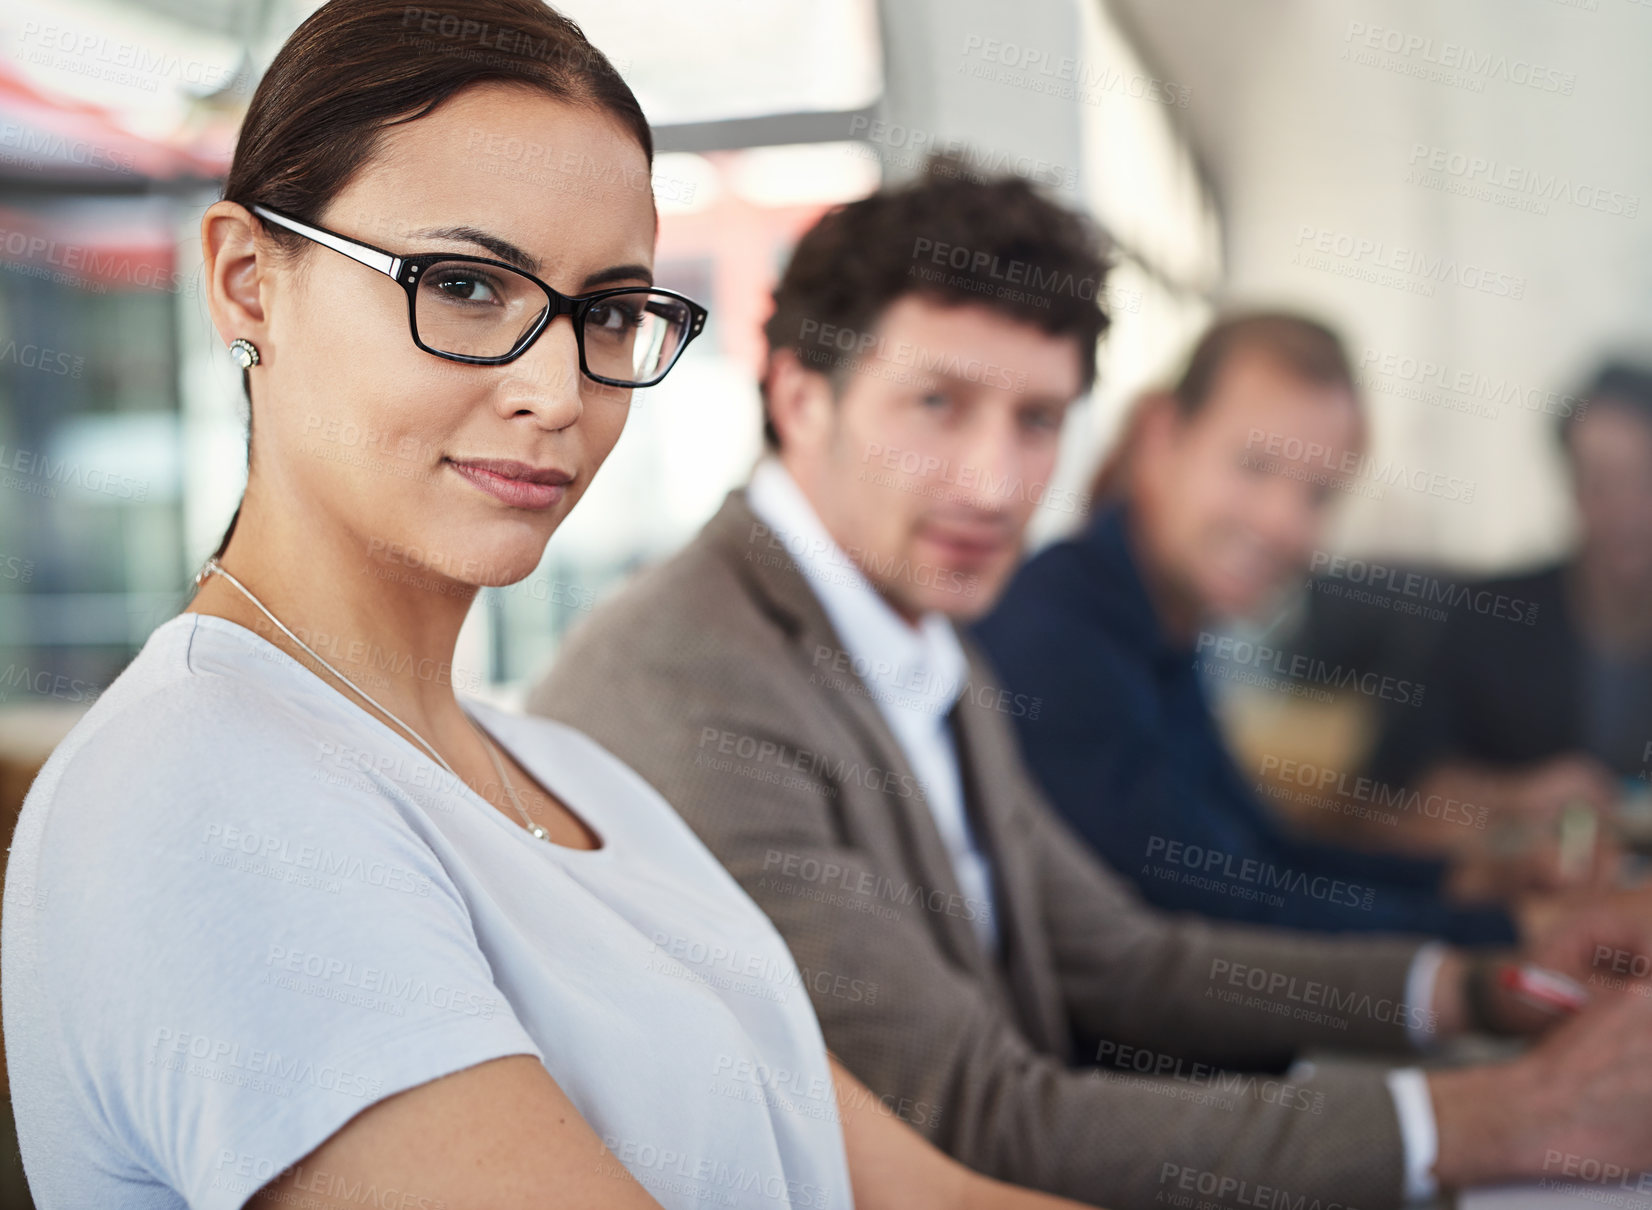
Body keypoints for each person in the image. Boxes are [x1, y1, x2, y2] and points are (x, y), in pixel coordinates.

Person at [0, 6, 1097, 1210]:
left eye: (610, 312)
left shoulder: (573, 774)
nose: (556, 390)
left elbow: (914, 1194)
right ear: (247, 281)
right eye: (465, 285)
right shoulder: (201, 789)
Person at [530, 160, 1652, 1210]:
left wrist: (1477, 982)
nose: (995, 482)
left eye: (1036, 420)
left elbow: (1126, 954)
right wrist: (1497, 1113)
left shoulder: (920, 633)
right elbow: (964, 1120)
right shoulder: (693, 677)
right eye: (937, 405)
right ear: (797, 395)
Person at [971, 313, 1612, 945]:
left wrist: (1465, 879)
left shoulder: (1158, 630)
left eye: (1319, 496)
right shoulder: (1057, 641)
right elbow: (1209, 915)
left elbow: (1262, 857)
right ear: (1160, 435)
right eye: (1255, 466)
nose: (1285, 525)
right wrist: (1503, 930)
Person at [1366, 362, 1652, 826]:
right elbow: (1376, 803)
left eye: (1645, 478)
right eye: (1602, 482)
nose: (1628, 511)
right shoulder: (1485, 621)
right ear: (1574, 490)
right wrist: (1512, 799)